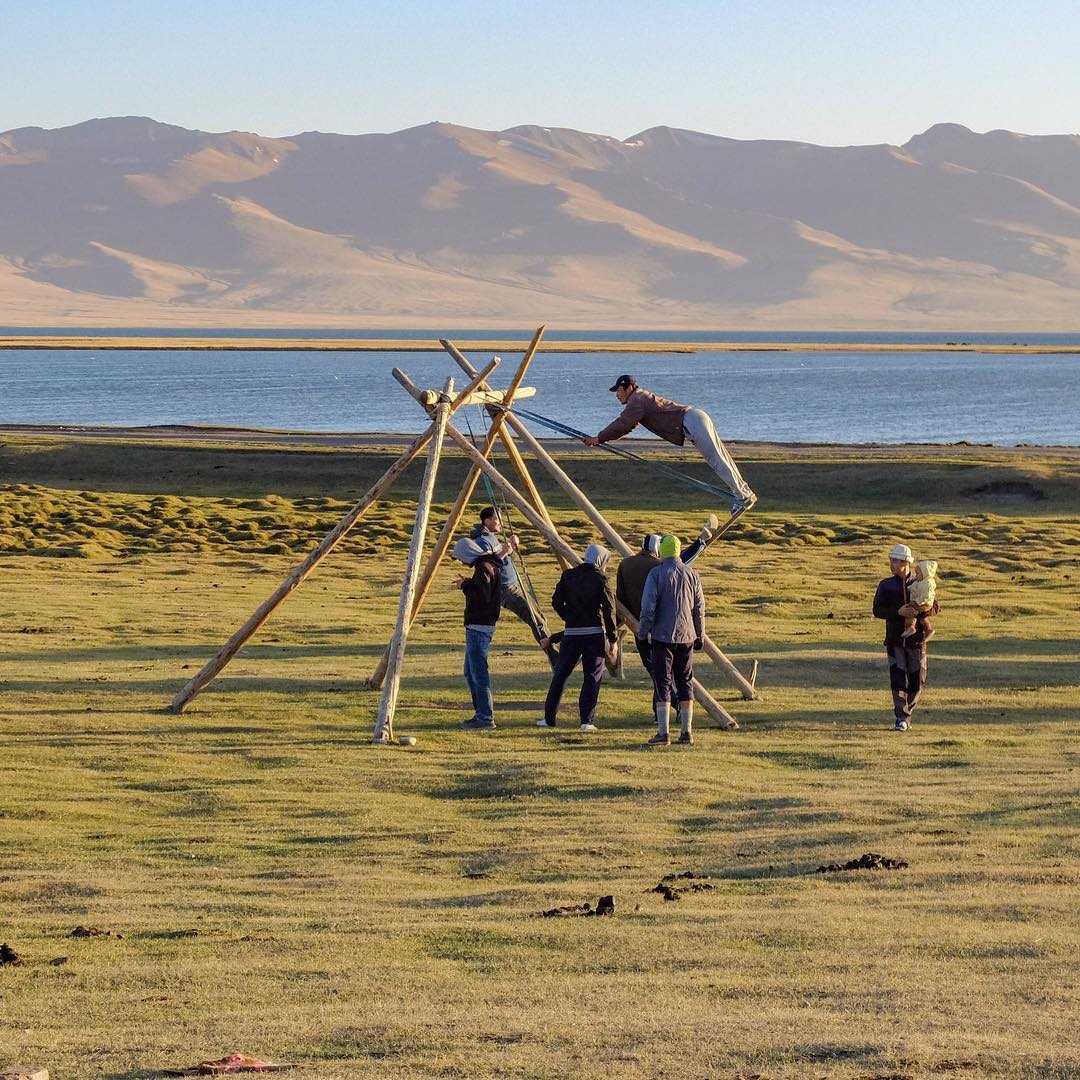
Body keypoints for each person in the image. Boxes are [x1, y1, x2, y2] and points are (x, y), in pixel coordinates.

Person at [582, 375, 756, 515]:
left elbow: (623, 423)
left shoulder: (637, 399)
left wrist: (599, 438)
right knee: (721, 457)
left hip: (692, 421)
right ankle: (744, 493)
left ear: (628, 388)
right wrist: (602, 437)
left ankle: (742, 496)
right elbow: (629, 425)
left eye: (618, 390)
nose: (616, 394)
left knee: (716, 460)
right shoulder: (640, 398)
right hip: (695, 418)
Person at [615, 522, 714, 712]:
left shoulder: (625, 564)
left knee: (656, 672)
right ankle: (677, 713)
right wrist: (699, 544)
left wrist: (623, 627)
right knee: (676, 676)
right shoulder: (659, 567)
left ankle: (661, 715)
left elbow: (621, 598)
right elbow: (681, 565)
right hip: (668, 629)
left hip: (638, 625)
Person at [537, 544, 618, 732]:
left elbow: (556, 601)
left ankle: (549, 719)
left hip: (572, 634)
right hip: (593, 635)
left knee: (560, 675)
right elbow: (609, 609)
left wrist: (569, 617)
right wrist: (612, 638)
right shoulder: (601, 578)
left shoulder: (568, 575)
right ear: (600, 560)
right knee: (592, 677)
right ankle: (586, 721)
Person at [638, 534, 705, 746]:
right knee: (685, 682)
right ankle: (686, 732)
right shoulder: (692, 574)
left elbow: (648, 607)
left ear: (662, 551)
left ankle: (663, 732)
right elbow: (699, 608)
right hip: (687, 636)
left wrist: (643, 632)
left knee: (663, 682)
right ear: (678, 551)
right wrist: (699, 634)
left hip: (661, 636)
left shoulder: (655, 574)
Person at [470, 506, 556, 662]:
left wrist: (510, 546)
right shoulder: (482, 541)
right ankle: (555, 658)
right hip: (505, 590)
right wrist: (505, 552)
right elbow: (488, 567)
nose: (501, 522)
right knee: (536, 620)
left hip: (514, 585)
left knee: (540, 618)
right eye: (498, 519)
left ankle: (555, 656)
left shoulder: (490, 537)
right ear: (487, 520)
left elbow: (500, 557)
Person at [873, 543, 938, 732]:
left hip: (917, 641)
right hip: (895, 640)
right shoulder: (885, 585)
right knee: (898, 679)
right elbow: (877, 610)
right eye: (891, 560)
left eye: (895, 561)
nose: (891, 564)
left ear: (905, 563)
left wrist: (921, 612)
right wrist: (897, 612)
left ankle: (907, 712)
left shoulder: (922, 581)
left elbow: (935, 605)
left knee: (918, 679)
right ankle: (902, 717)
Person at [453, 537, 503, 732]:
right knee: (470, 671)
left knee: (478, 673)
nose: (461, 562)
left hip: (479, 626)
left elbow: (482, 596)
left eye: (460, 558)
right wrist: (468, 582)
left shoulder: (483, 567)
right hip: (483, 625)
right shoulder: (489, 565)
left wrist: (464, 586)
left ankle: (485, 717)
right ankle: (481, 712)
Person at [903, 559, 938, 640]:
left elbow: (927, 596)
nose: (916, 575)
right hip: (921, 602)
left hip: (924, 603)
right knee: (920, 615)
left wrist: (917, 602)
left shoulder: (928, 583)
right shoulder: (919, 581)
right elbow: (914, 587)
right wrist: (909, 588)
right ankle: (927, 629)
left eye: (918, 573)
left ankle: (910, 627)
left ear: (925, 573)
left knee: (911, 609)